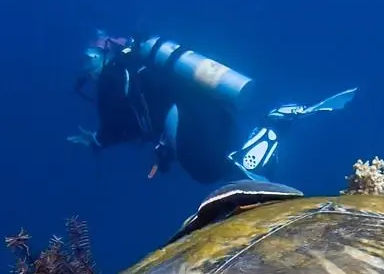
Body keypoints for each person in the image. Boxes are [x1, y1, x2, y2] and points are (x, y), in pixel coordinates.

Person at [71, 32, 355, 185]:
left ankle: (273, 124)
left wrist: (97, 141)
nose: (89, 69)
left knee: (209, 171)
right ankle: (271, 129)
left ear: (102, 54)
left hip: (184, 115)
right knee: (227, 164)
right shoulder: (140, 65)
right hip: (210, 107)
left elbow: (120, 123)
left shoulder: (113, 74)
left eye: (88, 60)